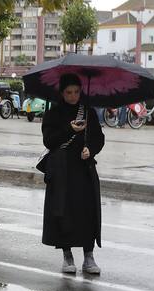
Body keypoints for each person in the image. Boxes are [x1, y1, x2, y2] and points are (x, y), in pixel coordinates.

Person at [40, 73, 105, 275]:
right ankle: (67, 256)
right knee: (63, 212)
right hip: (61, 170)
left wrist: (90, 150)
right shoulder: (54, 114)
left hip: (84, 170)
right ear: (62, 93)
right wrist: (69, 129)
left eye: (76, 92)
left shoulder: (88, 112)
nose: (73, 96)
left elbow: (99, 138)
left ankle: (89, 256)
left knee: (87, 213)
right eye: (69, 92)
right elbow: (49, 141)